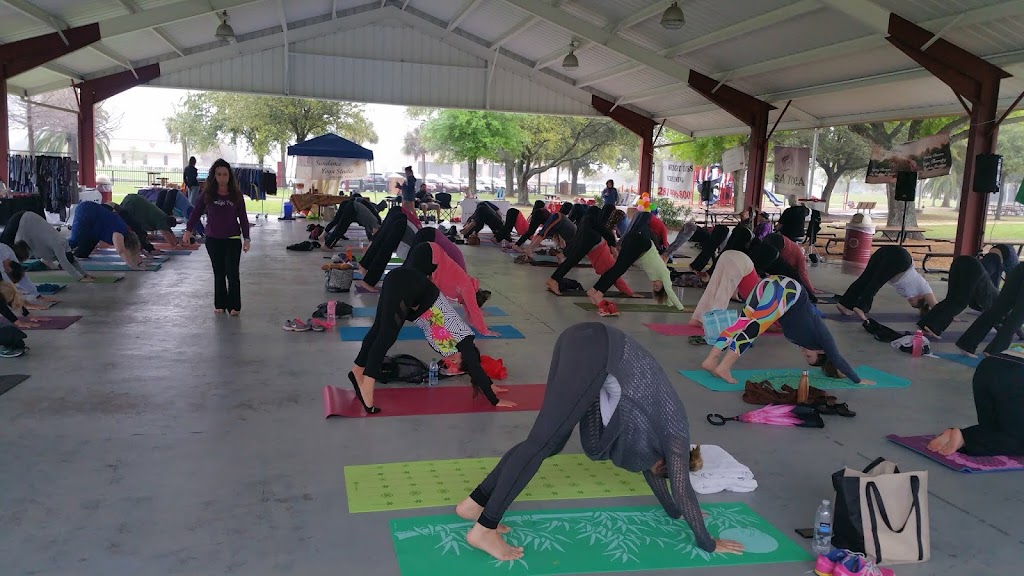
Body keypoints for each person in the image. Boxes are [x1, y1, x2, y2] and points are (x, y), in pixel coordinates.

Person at [455, 323, 745, 561]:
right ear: (666, 461)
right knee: (541, 443)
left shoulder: (658, 440)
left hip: (586, 340)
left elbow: (656, 476)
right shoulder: (676, 435)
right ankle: (485, 528)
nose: (643, 468)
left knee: (548, 443)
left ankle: (475, 504)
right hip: (596, 349)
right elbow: (681, 488)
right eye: (653, 467)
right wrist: (707, 541)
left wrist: (675, 511)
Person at [348, 267, 517, 414]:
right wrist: (494, 399)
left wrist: (488, 383)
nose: (451, 362)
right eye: (456, 362)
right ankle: (367, 385)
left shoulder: (450, 348)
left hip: (405, 285)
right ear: (466, 355)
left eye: (453, 366)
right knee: (387, 335)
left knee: (379, 329)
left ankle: (358, 370)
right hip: (408, 282)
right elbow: (474, 365)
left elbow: (472, 368)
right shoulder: (464, 338)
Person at [701, 270, 870, 386]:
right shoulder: (823, 337)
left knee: (741, 323)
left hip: (771, 285)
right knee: (752, 329)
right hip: (786, 290)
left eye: (805, 357)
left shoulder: (800, 339)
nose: (804, 353)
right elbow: (837, 358)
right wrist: (857, 380)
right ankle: (724, 368)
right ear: (820, 352)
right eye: (809, 355)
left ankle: (711, 359)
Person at [183, 158, 251, 316]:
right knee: (219, 272)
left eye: (225, 174)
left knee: (232, 273)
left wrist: (246, 238)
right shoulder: (208, 194)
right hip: (213, 239)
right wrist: (188, 229)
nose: (222, 177)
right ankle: (220, 303)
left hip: (233, 239)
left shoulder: (236, 195)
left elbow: (243, 218)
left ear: (229, 176)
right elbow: (195, 212)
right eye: (219, 174)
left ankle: (235, 306)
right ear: (214, 176)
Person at [927, 356, 1024, 456]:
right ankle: (965, 438)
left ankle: (954, 437)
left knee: (993, 428)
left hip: (990, 364)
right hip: (1017, 374)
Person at [404, 242, 499, 336]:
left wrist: (476, 324)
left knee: (410, 284)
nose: (465, 305)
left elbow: (469, 311)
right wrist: (485, 331)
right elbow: (473, 310)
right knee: (410, 286)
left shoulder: (466, 289)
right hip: (430, 254)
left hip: (428, 251)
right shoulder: (467, 287)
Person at [586, 228, 684, 310]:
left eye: (654, 288)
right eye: (658, 287)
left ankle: (594, 290)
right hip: (642, 244)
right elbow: (669, 291)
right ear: (664, 285)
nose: (654, 285)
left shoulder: (655, 277)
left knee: (616, 268)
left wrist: (669, 304)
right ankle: (599, 294)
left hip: (635, 240)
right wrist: (680, 307)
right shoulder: (665, 274)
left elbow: (666, 296)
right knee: (618, 270)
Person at [545, 206, 633, 297]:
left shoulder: (587, 219)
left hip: (591, 240)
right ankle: (554, 280)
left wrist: (565, 252)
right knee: (610, 270)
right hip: (593, 241)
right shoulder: (594, 223)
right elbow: (605, 231)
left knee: (572, 260)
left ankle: (553, 280)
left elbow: (579, 237)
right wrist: (629, 292)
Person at [836, 246, 937, 321]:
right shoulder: (923, 287)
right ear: (920, 296)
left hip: (886, 253)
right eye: (912, 299)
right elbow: (936, 306)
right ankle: (861, 308)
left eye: (909, 302)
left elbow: (922, 308)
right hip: (900, 259)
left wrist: (924, 312)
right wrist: (947, 316)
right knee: (875, 284)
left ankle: (844, 303)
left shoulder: (913, 295)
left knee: (864, 279)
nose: (909, 299)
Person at [918, 256, 998, 338]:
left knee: (951, 298)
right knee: (961, 302)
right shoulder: (996, 302)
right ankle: (933, 327)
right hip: (973, 268)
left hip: (961, 261)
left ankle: (925, 323)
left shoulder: (993, 296)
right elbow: (993, 318)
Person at [2, 211, 94, 282]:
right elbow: (64, 262)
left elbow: (72, 260)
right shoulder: (59, 245)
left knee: (7, 251)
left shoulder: (65, 246)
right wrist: (79, 278)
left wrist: (85, 274)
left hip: (27, 220)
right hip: (22, 221)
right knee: (5, 249)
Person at [956, 265, 1024, 358]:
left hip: (1020, 269)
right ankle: (994, 351)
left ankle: (967, 344)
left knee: (998, 309)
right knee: (1017, 317)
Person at [689, 250, 759, 327]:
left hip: (727, 255)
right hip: (741, 263)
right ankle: (713, 324)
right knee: (723, 294)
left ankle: (697, 319)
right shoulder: (758, 299)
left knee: (712, 289)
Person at [68, 201, 144, 268]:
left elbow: (133, 250)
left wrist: (139, 262)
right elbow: (121, 251)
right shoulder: (119, 233)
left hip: (95, 223)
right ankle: (58, 252)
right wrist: (132, 266)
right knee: (74, 241)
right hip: (85, 211)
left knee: (82, 253)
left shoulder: (125, 232)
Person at [355, 215, 412, 292]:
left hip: (403, 221)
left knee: (384, 247)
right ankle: (368, 281)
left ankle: (365, 266)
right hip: (405, 227)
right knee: (385, 251)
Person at [116, 194, 182, 249]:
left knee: (130, 224)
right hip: (132, 203)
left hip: (133, 200)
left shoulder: (163, 217)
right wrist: (175, 246)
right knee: (129, 225)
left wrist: (176, 243)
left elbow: (169, 232)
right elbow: (166, 234)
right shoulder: (162, 220)